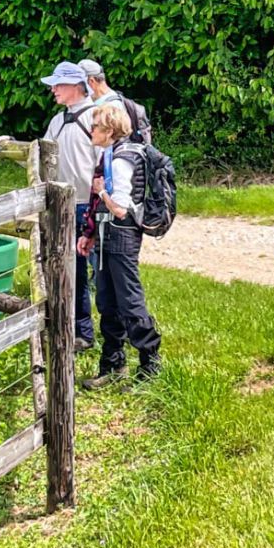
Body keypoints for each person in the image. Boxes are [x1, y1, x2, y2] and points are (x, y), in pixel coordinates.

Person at [82, 100, 163, 386]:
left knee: (129, 301)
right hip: (108, 235)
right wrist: (90, 234)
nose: (91, 130)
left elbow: (119, 208)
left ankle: (150, 365)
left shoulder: (121, 160)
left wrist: (101, 192)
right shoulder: (112, 154)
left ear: (109, 130)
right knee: (107, 300)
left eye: (95, 126)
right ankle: (112, 364)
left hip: (122, 235)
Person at [41, 60, 102, 350]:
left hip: (89, 205)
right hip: (63, 206)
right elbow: (44, 158)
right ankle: (80, 332)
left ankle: (112, 333)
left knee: (101, 272)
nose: (53, 89)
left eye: (58, 84)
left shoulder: (96, 117)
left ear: (76, 86)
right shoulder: (57, 121)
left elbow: (104, 162)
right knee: (70, 271)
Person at [79, 58, 154, 147]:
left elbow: (115, 142)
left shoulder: (112, 106)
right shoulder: (106, 101)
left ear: (91, 81)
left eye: (79, 84)